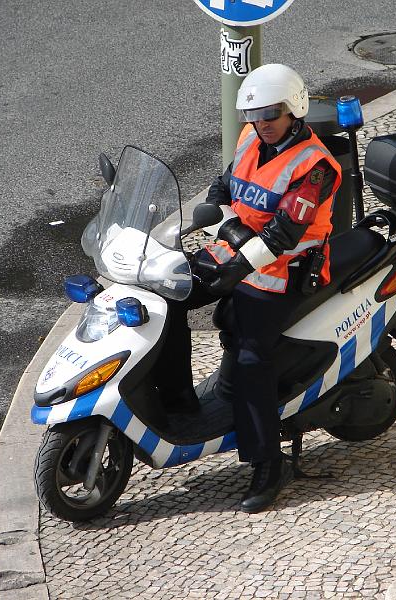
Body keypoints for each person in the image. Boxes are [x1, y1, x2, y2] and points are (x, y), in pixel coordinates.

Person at [152, 64, 342, 513]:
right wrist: (209, 218)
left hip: (284, 272)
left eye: (271, 113)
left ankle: (267, 463)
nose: (262, 122)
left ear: (294, 108)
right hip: (237, 253)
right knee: (167, 292)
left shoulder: (316, 169)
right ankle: (179, 399)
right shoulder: (250, 139)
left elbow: (283, 236)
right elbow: (224, 185)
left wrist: (235, 265)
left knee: (253, 358)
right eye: (254, 114)